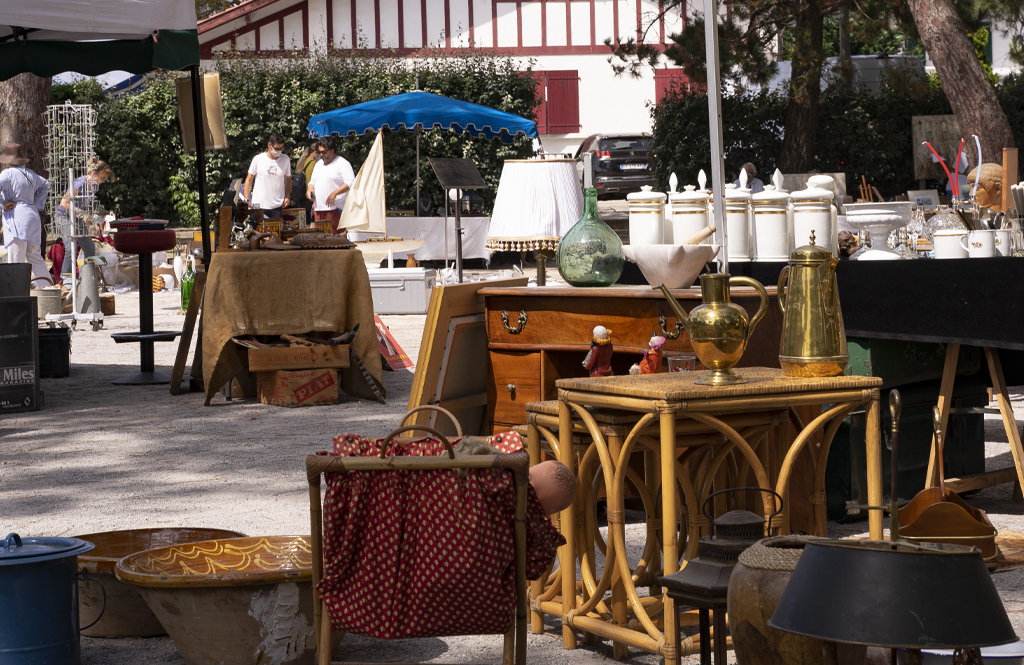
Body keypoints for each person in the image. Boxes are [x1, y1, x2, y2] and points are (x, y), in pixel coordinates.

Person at [0, 144, 52, 287]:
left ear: (8, 160)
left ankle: (15, 293)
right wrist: (35, 203)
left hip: (17, 217)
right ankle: (49, 290)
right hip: (32, 216)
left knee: (16, 259)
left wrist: (3, 204)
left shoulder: (7, 174)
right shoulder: (31, 174)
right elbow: (46, 185)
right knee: (35, 257)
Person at [57, 160, 115, 279]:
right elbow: (64, 202)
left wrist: (103, 213)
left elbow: (87, 204)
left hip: (76, 218)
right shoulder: (80, 183)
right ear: (94, 173)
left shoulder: (95, 186)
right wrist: (82, 214)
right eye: (102, 178)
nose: (103, 182)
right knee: (71, 249)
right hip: (64, 217)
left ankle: (89, 279)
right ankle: (65, 282)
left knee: (90, 249)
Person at [306, 136, 355, 235]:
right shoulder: (318, 164)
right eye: (318, 152)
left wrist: (335, 193)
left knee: (336, 241)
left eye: (324, 152)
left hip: (335, 209)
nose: (321, 155)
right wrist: (309, 190)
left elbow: (351, 182)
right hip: (319, 210)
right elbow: (312, 182)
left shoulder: (342, 163)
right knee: (321, 242)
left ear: (332, 150)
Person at [243, 132, 291, 218]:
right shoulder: (258, 159)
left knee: (276, 231)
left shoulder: (285, 159)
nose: (278, 152)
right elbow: (249, 178)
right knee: (258, 230)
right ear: (269, 145)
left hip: (277, 205)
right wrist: (246, 199)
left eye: (281, 149)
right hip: (259, 205)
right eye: (276, 149)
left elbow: (288, 179)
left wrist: (287, 196)